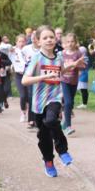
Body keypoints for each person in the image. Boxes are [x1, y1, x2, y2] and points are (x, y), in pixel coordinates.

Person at [22, 26, 72, 177]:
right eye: (45, 38)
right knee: (43, 136)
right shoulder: (37, 58)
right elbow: (25, 80)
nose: (49, 40)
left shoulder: (59, 57)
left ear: (55, 39)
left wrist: (71, 66)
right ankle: (48, 162)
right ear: (38, 41)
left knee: (51, 120)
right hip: (38, 101)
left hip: (54, 97)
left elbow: (59, 71)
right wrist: (43, 77)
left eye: (51, 37)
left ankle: (62, 150)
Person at [59, 32, 88, 135]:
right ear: (65, 43)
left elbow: (83, 66)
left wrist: (81, 64)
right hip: (64, 81)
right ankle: (68, 127)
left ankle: (63, 120)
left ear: (75, 42)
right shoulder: (62, 54)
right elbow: (59, 66)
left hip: (74, 81)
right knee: (68, 102)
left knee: (70, 103)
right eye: (68, 42)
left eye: (72, 41)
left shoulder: (78, 53)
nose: (70, 44)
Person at [11, 34, 33, 123]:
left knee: (29, 95)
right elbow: (1, 48)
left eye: (23, 41)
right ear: (16, 42)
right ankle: (23, 112)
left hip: (28, 75)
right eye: (19, 41)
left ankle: (30, 115)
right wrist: (10, 47)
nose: (21, 43)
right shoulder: (13, 50)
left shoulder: (28, 50)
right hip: (19, 75)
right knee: (23, 95)